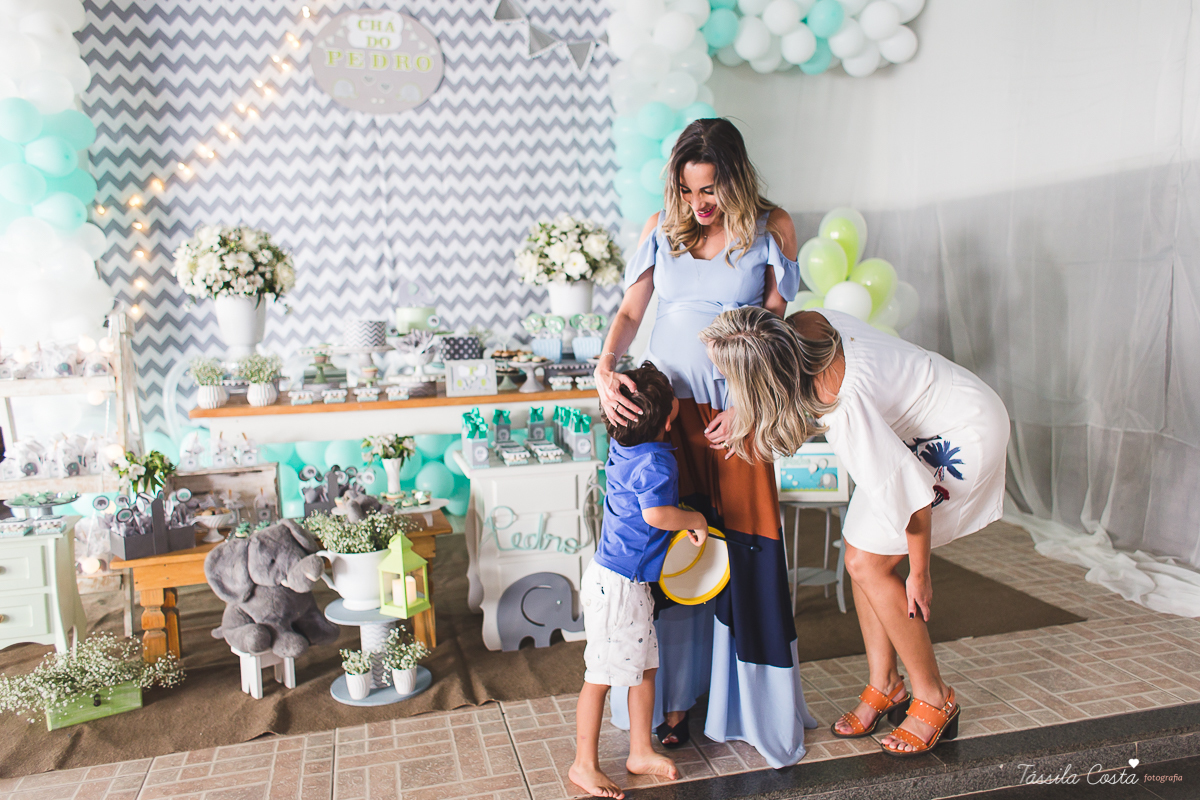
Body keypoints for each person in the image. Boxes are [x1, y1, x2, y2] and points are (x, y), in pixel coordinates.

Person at [594, 117, 817, 768]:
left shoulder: (773, 228)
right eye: (689, 191)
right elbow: (631, 312)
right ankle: (673, 702)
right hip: (668, 416)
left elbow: (775, 328)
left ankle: (744, 707)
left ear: (736, 179)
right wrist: (605, 366)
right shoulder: (661, 229)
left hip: (735, 416)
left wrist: (749, 403)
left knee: (743, 551)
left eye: (711, 190)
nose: (699, 204)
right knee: (670, 555)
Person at [700, 305, 1011, 757]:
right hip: (926, 414)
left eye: (732, 378)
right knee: (858, 549)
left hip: (964, 430)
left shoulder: (844, 407)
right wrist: (746, 411)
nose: (727, 384)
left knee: (869, 563)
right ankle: (886, 684)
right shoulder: (803, 326)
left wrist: (919, 573)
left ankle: (934, 697)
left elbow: (914, 502)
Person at [569, 362, 709, 799]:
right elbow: (656, 515)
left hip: (625, 583)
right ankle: (583, 764)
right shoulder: (656, 461)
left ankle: (640, 751)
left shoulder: (623, 443)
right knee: (600, 677)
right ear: (668, 419)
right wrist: (695, 519)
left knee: (645, 668)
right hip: (619, 588)